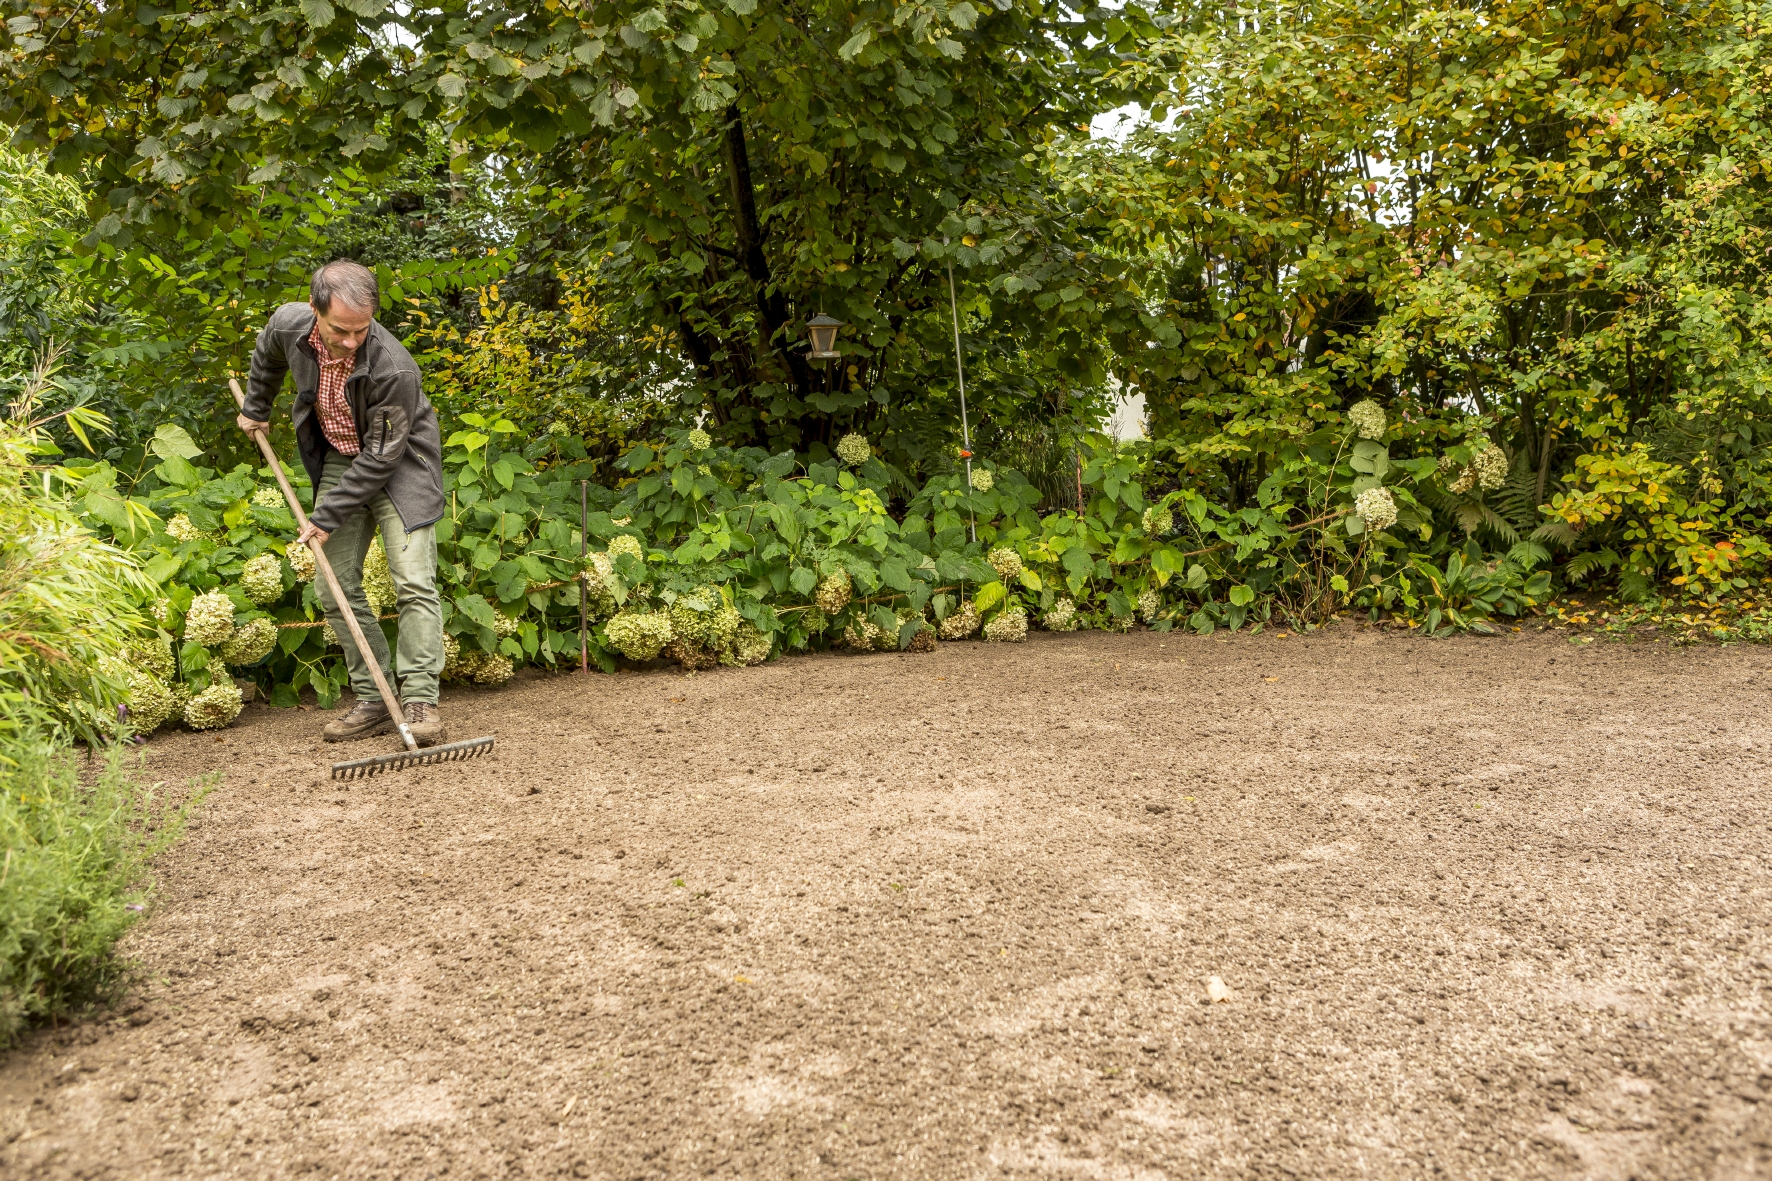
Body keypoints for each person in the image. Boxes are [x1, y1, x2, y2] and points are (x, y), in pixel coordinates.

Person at [238, 259, 449, 746]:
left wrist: (326, 516)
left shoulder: (394, 367)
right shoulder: (289, 325)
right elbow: (267, 355)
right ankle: (375, 698)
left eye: (361, 330)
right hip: (341, 457)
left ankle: (419, 701)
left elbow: (382, 457)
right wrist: (256, 408)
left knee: (413, 581)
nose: (352, 341)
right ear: (315, 310)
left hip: (401, 465)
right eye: (340, 330)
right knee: (332, 587)